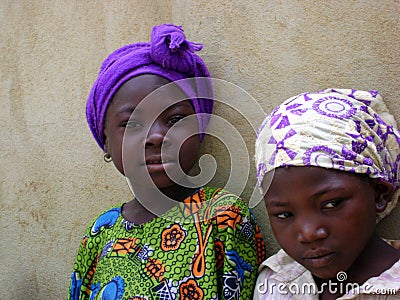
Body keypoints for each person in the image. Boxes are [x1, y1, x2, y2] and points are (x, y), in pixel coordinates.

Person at [68, 24, 266, 300]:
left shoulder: (223, 217)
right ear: (107, 142)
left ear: (200, 129)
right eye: (132, 123)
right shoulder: (100, 231)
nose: (157, 136)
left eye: (174, 119)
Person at [253, 88, 400, 299]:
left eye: (331, 204)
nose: (309, 233)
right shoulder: (276, 284)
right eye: (285, 214)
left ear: (379, 194)